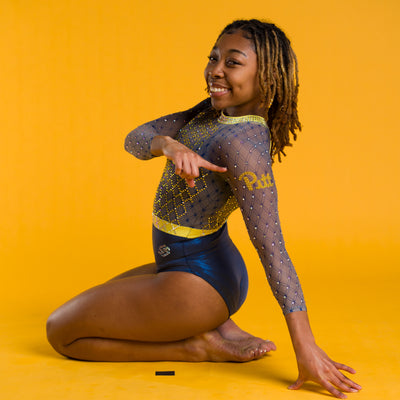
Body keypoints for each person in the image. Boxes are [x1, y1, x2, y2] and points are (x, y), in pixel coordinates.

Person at [46, 19, 361, 399]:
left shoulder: (243, 145)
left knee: (62, 333)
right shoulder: (213, 112)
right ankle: (219, 325)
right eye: (213, 58)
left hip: (198, 283)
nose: (216, 70)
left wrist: (305, 344)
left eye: (233, 62)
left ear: (267, 76)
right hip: (192, 266)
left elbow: (272, 247)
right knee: (96, 307)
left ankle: (197, 347)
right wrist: (170, 145)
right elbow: (135, 139)